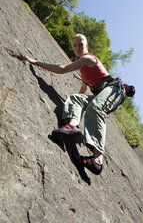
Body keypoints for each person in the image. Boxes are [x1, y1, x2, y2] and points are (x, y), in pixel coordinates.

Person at [24, 34, 135, 175]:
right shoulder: (83, 72)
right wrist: (72, 99)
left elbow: (63, 68)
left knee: (95, 107)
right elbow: (83, 89)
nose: (77, 48)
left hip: (114, 90)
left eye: (81, 44)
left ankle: (98, 160)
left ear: (86, 46)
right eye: (75, 45)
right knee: (76, 98)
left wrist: (36, 63)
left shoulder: (88, 58)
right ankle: (73, 125)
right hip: (103, 94)